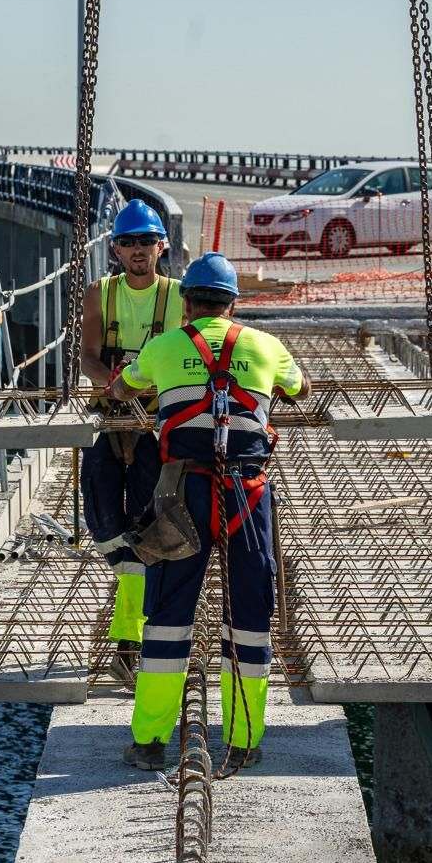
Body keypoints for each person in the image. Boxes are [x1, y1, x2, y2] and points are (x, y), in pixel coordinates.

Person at [108, 253, 308, 769]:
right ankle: (243, 739)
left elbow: (122, 389)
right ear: (234, 303)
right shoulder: (266, 346)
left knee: (171, 616)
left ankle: (151, 740)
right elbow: (300, 389)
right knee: (248, 616)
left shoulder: (164, 346)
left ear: (187, 303)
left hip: (183, 497)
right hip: (247, 494)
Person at [79, 200, 184, 682]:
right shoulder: (100, 293)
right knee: (103, 521)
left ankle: (129, 639)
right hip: (111, 415)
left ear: (162, 246)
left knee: (144, 525)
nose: (138, 250)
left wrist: (146, 392)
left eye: (146, 241)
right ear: (115, 249)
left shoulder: (180, 296)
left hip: (155, 422)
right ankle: (131, 630)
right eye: (128, 242)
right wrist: (116, 387)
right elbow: (89, 356)